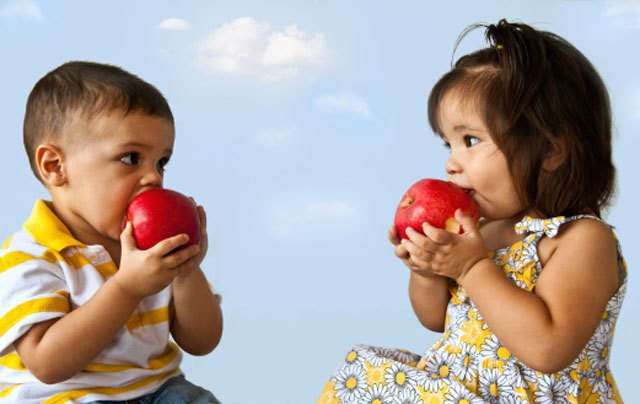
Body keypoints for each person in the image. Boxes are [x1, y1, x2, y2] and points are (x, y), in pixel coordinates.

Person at [317, 19, 626, 403]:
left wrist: (471, 268)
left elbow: (549, 348)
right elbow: (436, 320)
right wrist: (426, 271)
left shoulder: (580, 239)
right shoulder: (482, 232)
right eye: (448, 144)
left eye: (471, 140)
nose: (451, 164)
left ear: (551, 150)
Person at [0, 61, 223, 403]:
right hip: (64, 396)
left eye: (161, 162)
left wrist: (185, 273)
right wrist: (127, 287)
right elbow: (47, 363)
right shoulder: (31, 256)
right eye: (131, 158)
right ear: (55, 167)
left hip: (157, 391)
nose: (153, 178)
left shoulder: (153, 252)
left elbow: (202, 342)